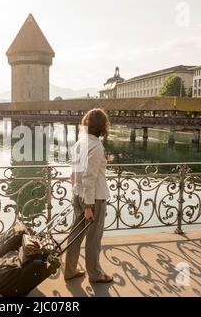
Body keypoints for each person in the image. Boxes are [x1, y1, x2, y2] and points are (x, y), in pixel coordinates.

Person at [64, 108, 113, 283]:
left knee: (75, 235)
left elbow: (75, 173)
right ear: (102, 127)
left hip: (78, 194)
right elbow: (90, 177)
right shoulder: (97, 146)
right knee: (93, 239)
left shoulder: (80, 142)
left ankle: (69, 270)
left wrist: (76, 194)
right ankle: (95, 274)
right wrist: (89, 206)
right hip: (93, 198)